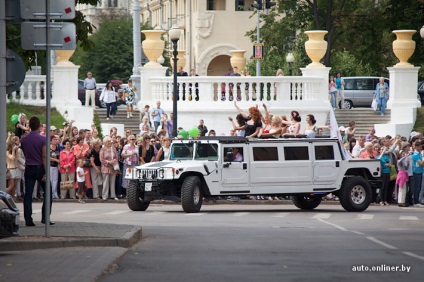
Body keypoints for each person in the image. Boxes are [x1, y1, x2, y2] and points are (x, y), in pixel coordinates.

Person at [20, 116, 53, 226]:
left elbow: (25, 154)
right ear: (39, 126)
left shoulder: (24, 140)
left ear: (29, 126)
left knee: (28, 194)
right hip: (40, 167)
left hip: (29, 167)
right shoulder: (42, 139)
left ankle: (28, 219)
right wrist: (46, 172)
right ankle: (45, 217)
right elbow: (44, 156)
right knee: (48, 192)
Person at [100, 136, 119, 200]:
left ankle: (113, 195)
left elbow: (116, 157)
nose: (109, 143)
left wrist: (113, 161)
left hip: (113, 167)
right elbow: (101, 159)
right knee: (105, 182)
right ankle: (104, 196)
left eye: (110, 141)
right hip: (105, 168)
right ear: (105, 142)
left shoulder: (113, 149)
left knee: (113, 182)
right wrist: (108, 162)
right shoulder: (102, 149)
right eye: (108, 141)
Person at [412, 141, 424, 207]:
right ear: (416, 147)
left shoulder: (419, 154)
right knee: (416, 187)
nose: (421, 148)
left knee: (419, 187)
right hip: (416, 172)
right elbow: (421, 163)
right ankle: (415, 201)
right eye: (420, 147)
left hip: (420, 171)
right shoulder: (415, 155)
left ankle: (418, 200)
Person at [49, 135, 60, 199]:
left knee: (55, 180)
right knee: (50, 179)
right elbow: (48, 157)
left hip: (56, 166)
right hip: (50, 165)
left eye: (56, 139)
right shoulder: (49, 148)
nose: (55, 141)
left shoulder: (57, 148)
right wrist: (56, 160)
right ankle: (51, 193)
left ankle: (55, 193)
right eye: (54, 140)